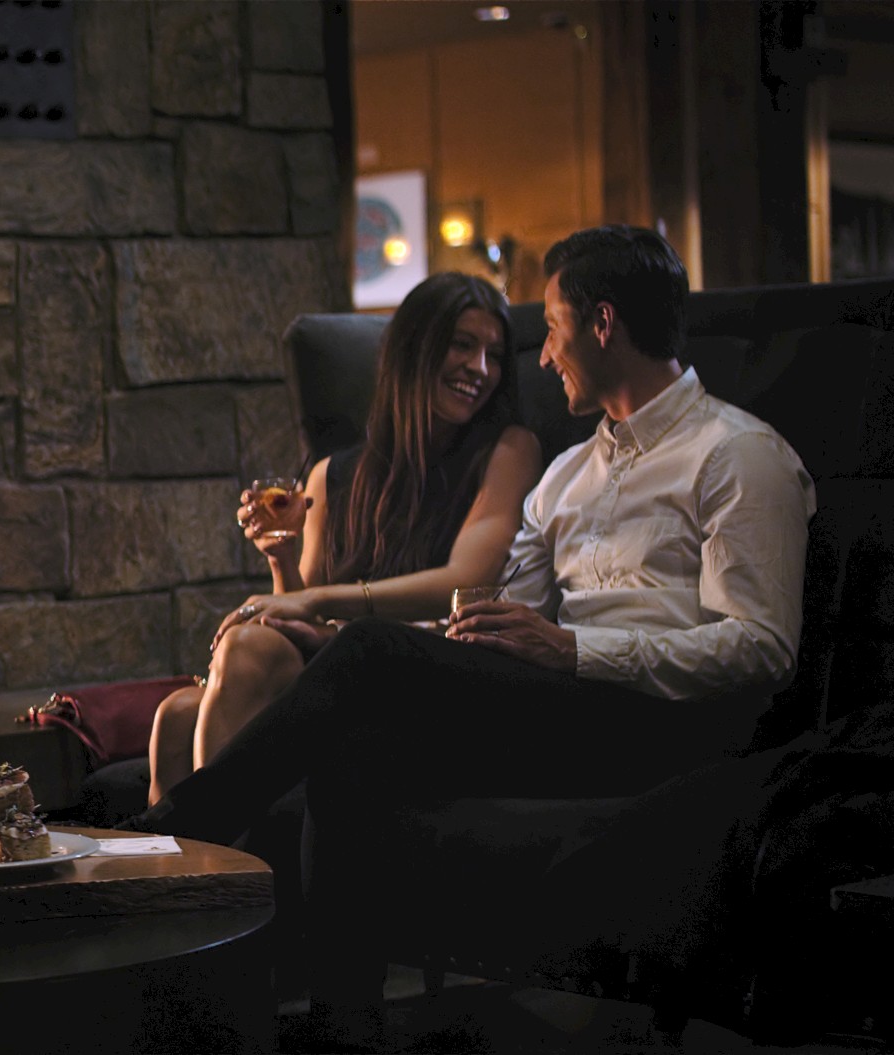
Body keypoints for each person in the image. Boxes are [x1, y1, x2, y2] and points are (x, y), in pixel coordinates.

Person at [125, 224, 816, 853]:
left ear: (602, 324)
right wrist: (332, 643)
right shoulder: (568, 475)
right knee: (355, 746)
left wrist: (573, 647)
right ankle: (321, 986)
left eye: (551, 329)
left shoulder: (737, 453)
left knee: (368, 647)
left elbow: (762, 647)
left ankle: (165, 842)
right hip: (559, 709)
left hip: (665, 724)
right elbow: (482, 617)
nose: (542, 358)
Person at [146, 272, 543, 804]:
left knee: (244, 649)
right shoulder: (332, 475)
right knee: (175, 716)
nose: (481, 369)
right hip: (328, 660)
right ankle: (182, 882)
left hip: (418, 668)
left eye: (494, 354)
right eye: (463, 346)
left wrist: (319, 597)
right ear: (413, 349)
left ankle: (221, 867)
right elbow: (294, 615)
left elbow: (469, 578)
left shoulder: (508, 450)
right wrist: (283, 562)